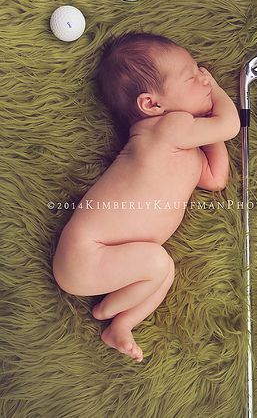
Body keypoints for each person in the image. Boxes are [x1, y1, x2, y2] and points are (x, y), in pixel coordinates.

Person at [52, 31, 241, 363]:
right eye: (193, 75)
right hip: (86, 253)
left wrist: (206, 117)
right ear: (152, 104)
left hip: (101, 260)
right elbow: (230, 126)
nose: (204, 77)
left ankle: (118, 323)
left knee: (163, 273)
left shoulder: (182, 145)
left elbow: (216, 178)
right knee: (159, 263)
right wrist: (219, 94)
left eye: (202, 72)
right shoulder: (166, 128)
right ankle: (109, 309)